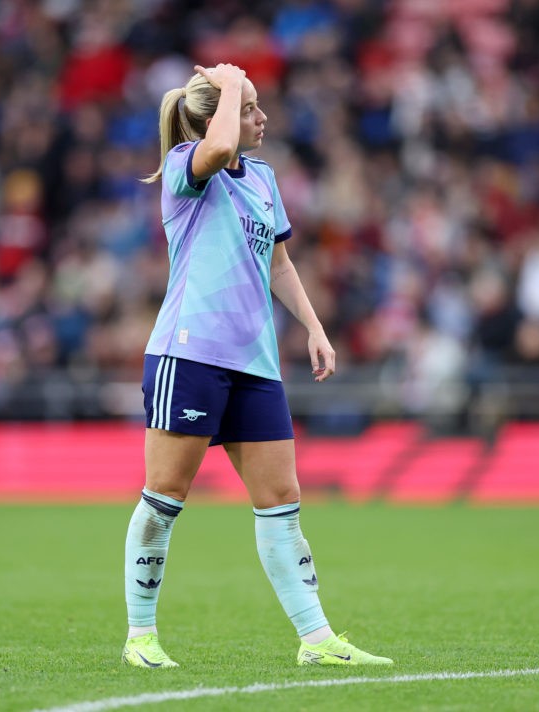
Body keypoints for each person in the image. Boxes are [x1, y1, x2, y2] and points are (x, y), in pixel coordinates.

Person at [121, 63, 392, 669]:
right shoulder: (185, 168)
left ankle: (316, 639)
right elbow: (218, 144)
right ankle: (141, 636)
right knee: (165, 497)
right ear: (216, 117)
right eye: (249, 108)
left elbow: (279, 264)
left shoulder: (264, 178)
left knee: (281, 500)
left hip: (255, 363)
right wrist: (231, 82)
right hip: (189, 354)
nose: (261, 117)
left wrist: (315, 329)